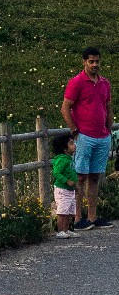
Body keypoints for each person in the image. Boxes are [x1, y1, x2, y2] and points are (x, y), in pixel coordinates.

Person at [62, 47, 111, 229]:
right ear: (84, 62)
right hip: (85, 135)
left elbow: (107, 105)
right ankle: (77, 218)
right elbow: (66, 107)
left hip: (102, 136)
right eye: (91, 61)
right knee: (81, 176)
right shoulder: (76, 82)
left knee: (95, 177)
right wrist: (74, 130)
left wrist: (109, 125)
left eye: (97, 61)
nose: (95, 64)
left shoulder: (105, 83)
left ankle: (92, 217)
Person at [51, 130, 79, 234]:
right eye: (71, 144)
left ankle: (66, 230)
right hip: (62, 189)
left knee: (69, 211)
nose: (74, 145)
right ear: (64, 148)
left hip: (70, 190)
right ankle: (60, 230)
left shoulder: (69, 159)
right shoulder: (61, 160)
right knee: (62, 211)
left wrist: (74, 185)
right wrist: (67, 181)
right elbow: (56, 173)